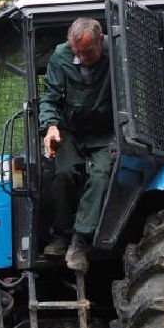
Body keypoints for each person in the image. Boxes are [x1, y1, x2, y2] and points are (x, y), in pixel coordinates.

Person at [39, 17, 114, 273]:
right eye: (76, 52)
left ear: (101, 40)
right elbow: (50, 98)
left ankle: (80, 241)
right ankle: (61, 234)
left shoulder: (117, 53)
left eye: (87, 52)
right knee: (64, 172)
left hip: (106, 133)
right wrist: (50, 126)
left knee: (102, 174)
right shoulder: (61, 56)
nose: (80, 58)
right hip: (71, 131)